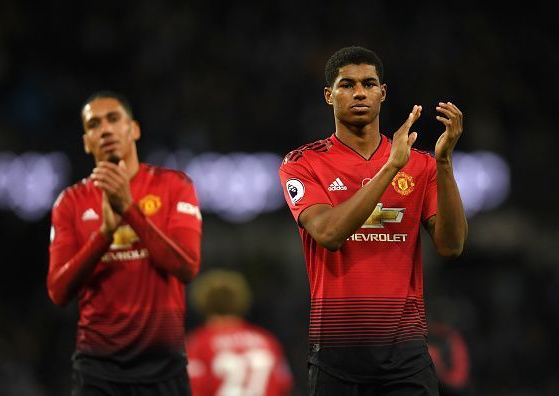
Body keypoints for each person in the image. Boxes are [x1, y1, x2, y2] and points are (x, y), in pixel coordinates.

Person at [278, 46, 468, 395]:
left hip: (407, 355)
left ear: (383, 93)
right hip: (337, 355)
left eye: (368, 83)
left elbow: (451, 245)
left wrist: (443, 163)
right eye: (347, 85)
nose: (359, 92)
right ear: (328, 95)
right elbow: (329, 233)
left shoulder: (422, 165)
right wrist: (391, 167)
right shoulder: (302, 163)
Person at [47, 91, 202, 395]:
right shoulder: (70, 202)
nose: (105, 129)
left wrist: (129, 211)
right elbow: (58, 291)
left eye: (114, 119)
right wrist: (104, 235)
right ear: (86, 141)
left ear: (134, 129)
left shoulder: (174, 186)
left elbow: (187, 267)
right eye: (94, 124)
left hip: (164, 367)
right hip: (97, 370)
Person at [185, 269, 294, 396]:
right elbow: (285, 386)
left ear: (202, 302)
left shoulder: (198, 342)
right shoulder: (267, 340)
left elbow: (193, 389)